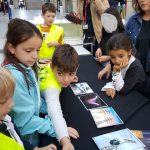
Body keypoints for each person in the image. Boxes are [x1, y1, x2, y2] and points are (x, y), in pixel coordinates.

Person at [2, 18, 58, 147]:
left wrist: (51, 108)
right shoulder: (15, 76)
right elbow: (25, 121)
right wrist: (57, 129)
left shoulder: (26, 65)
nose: (35, 56)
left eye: (37, 50)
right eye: (29, 51)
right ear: (11, 48)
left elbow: (34, 100)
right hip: (27, 139)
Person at [0, 67, 57, 150]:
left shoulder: (6, 119)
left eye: (11, 97)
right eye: (3, 101)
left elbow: (19, 140)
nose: (12, 104)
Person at [39, 44, 80, 150]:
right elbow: (55, 114)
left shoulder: (52, 65)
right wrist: (65, 140)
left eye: (71, 73)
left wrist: (68, 75)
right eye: (60, 73)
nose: (66, 80)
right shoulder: (51, 89)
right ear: (53, 66)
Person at [101, 33, 150, 99]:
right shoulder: (114, 61)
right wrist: (111, 87)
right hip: (132, 93)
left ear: (129, 52)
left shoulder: (135, 67)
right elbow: (115, 79)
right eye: (112, 57)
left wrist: (116, 71)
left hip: (144, 96)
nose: (117, 61)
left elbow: (123, 90)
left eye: (121, 56)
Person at [95, 7, 124, 80]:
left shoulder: (121, 34)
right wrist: (99, 48)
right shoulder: (106, 29)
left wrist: (107, 58)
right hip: (102, 62)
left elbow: (122, 55)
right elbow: (102, 40)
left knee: (113, 80)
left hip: (113, 64)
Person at [125, 0, 150, 77]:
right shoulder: (132, 20)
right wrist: (110, 65)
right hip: (135, 74)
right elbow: (122, 46)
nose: (142, 0)